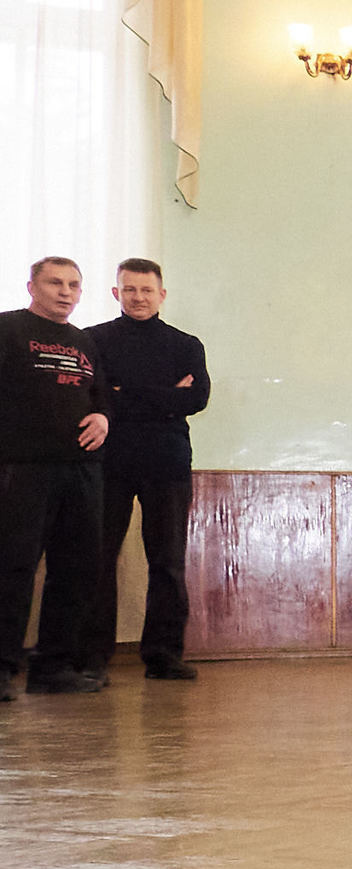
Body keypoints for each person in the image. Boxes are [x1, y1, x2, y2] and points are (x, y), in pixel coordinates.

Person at [79, 258, 210, 683]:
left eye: (146, 290)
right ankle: (92, 660)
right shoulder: (91, 340)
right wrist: (162, 397)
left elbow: (196, 399)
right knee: (98, 561)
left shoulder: (186, 344)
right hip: (106, 463)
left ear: (162, 294)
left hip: (167, 463)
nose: (138, 297)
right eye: (129, 290)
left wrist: (124, 392)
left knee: (168, 562)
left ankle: (164, 656)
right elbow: (90, 398)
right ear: (116, 293)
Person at [0, 257, 110, 701]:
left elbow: (101, 395)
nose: (66, 291)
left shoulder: (84, 342)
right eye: (55, 283)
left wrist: (103, 416)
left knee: (76, 569)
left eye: (74, 285)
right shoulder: (8, 331)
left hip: (82, 470)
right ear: (32, 286)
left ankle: (54, 667)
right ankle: (3, 669)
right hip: (23, 468)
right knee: (13, 568)